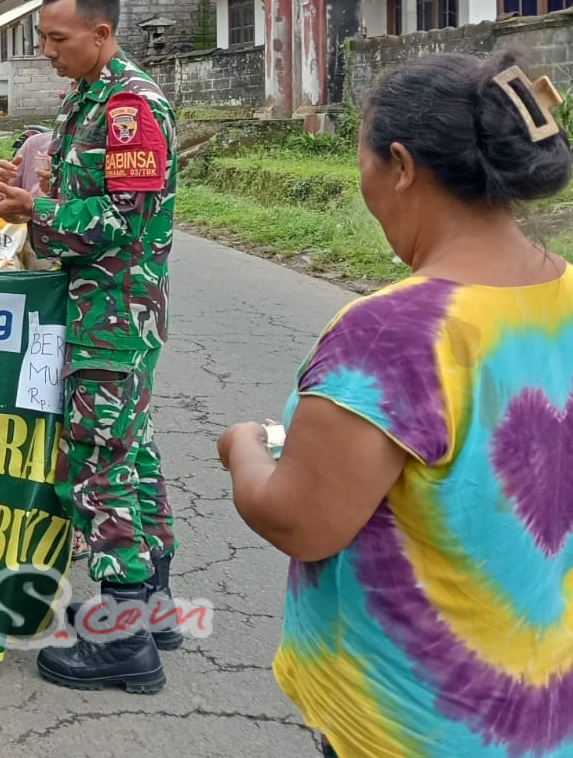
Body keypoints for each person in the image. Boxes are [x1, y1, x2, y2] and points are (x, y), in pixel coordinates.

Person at [218, 51, 573, 758]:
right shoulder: (561, 295)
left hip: (410, 723)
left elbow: (300, 521)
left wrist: (244, 446)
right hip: (541, 711)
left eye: (365, 161)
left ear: (402, 166)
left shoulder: (392, 333)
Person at [0, 0, 179, 693]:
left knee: (99, 464)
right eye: (42, 40)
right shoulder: (85, 99)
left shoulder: (129, 108)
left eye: (57, 40)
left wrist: (35, 213)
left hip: (113, 313)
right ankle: (151, 608)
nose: (47, 51)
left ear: (101, 32)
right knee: (132, 453)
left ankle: (123, 638)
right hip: (98, 310)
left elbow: (124, 222)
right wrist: (21, 182)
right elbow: (75, 190)